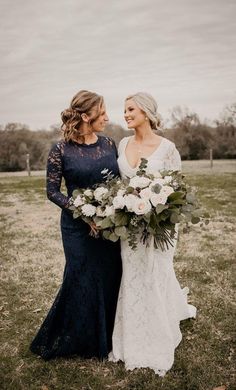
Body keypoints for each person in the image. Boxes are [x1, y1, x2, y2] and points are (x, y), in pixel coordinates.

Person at [30, 90, 122, 360]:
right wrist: (84, 213)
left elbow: (116, 183)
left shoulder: (109, 144)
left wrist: (110, 214)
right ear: (85, 116)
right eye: (102, 112)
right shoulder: (60, 149)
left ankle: (106, 338)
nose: (106, 117)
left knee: (108, 276)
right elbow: (52, 191)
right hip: (76, 227)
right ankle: (75, 339)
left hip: (109, 225)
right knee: (80, 278)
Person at [109, 92, 196, 376]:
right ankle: (131, 336)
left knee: (155, 273)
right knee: (133, 276)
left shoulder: (167, 147)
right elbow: (119, 186)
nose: (125, 114)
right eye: (124, 110)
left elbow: (176, 190)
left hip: (159, 226)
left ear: (146, 112)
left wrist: (159, 214)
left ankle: (159, 334)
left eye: (131, 109)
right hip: (130, 229)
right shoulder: (121, 144)